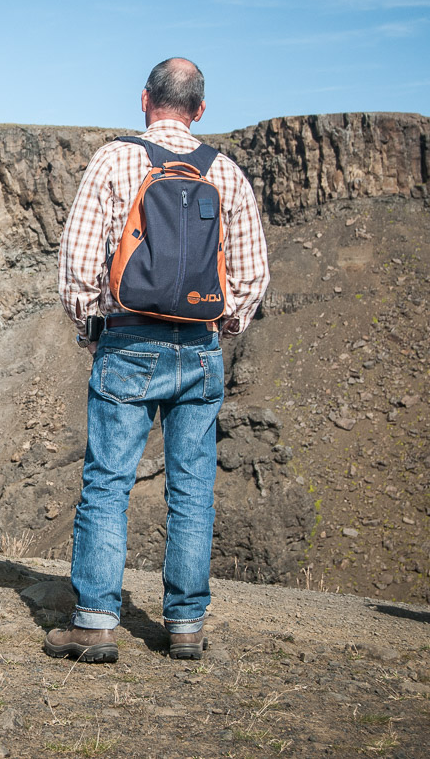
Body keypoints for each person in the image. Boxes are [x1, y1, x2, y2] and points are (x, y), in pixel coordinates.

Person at [47, 58, 270, 663]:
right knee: (193, 487)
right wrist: (219, 327)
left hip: (128, 339)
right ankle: (186, 625)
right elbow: (251, 279)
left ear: (144, 99)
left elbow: (77, 263)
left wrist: (96, 327)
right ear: (200, 110)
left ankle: (94, 623)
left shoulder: (114, 161)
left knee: (108, 482)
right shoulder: (226, 173)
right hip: (199, 348)